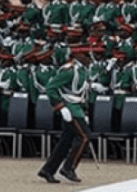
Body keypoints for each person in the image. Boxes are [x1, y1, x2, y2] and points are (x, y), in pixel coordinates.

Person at [36, 42, 98, 184]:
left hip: (77, 108)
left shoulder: (83, 70)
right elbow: (50, 88)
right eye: (87, 55)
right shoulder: (69, 71)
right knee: (85, 137)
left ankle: (48, 170)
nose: (90, 58)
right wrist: (60, 106)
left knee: (65, 142)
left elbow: (83, 94)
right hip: (69, 108)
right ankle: (68, 168)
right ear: (78, 55)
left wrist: (85, 112)